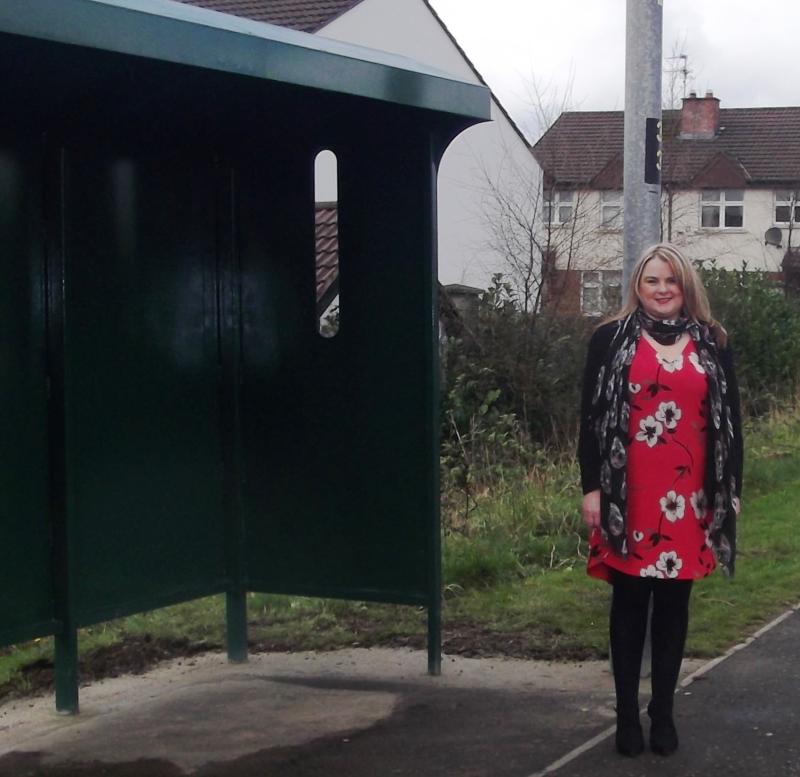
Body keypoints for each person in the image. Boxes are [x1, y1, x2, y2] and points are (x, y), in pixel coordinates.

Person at [578, 243, 743, 757]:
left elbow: (732, 423)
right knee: (629, 603)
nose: (663, 289)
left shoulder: (712, 341)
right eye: (652, 280)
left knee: (673, 606)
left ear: (686, 286)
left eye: (672, 280)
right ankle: (627, 714)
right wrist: (591, 487)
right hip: (628, 494)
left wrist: (731, 489)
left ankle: (663, 712)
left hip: (690, 497)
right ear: (638, 286)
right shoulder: (609, 338)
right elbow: (590, 419)